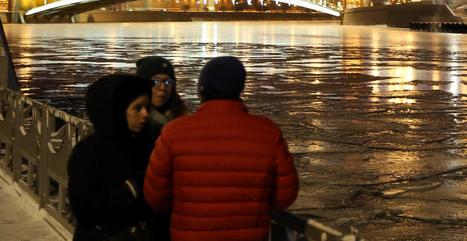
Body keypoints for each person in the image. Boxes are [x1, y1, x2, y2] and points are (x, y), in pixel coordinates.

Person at [144, 56, 299, 240]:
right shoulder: (268, 132)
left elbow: (156, 198)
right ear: (239, 88)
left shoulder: (174, 132)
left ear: (201, 89)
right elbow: (284, 197)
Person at [67, 73, 164, 240]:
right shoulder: (90, 151)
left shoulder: (148, 144)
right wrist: (129, 190)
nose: (145, 114)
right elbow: (84, 210)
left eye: (147, 108)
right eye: (137, 108)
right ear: (117, 110)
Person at [135, 55, 188, 130]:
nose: (163, 88)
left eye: (168, 82)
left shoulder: (183, 119)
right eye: (155, 81)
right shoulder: (130, 123)